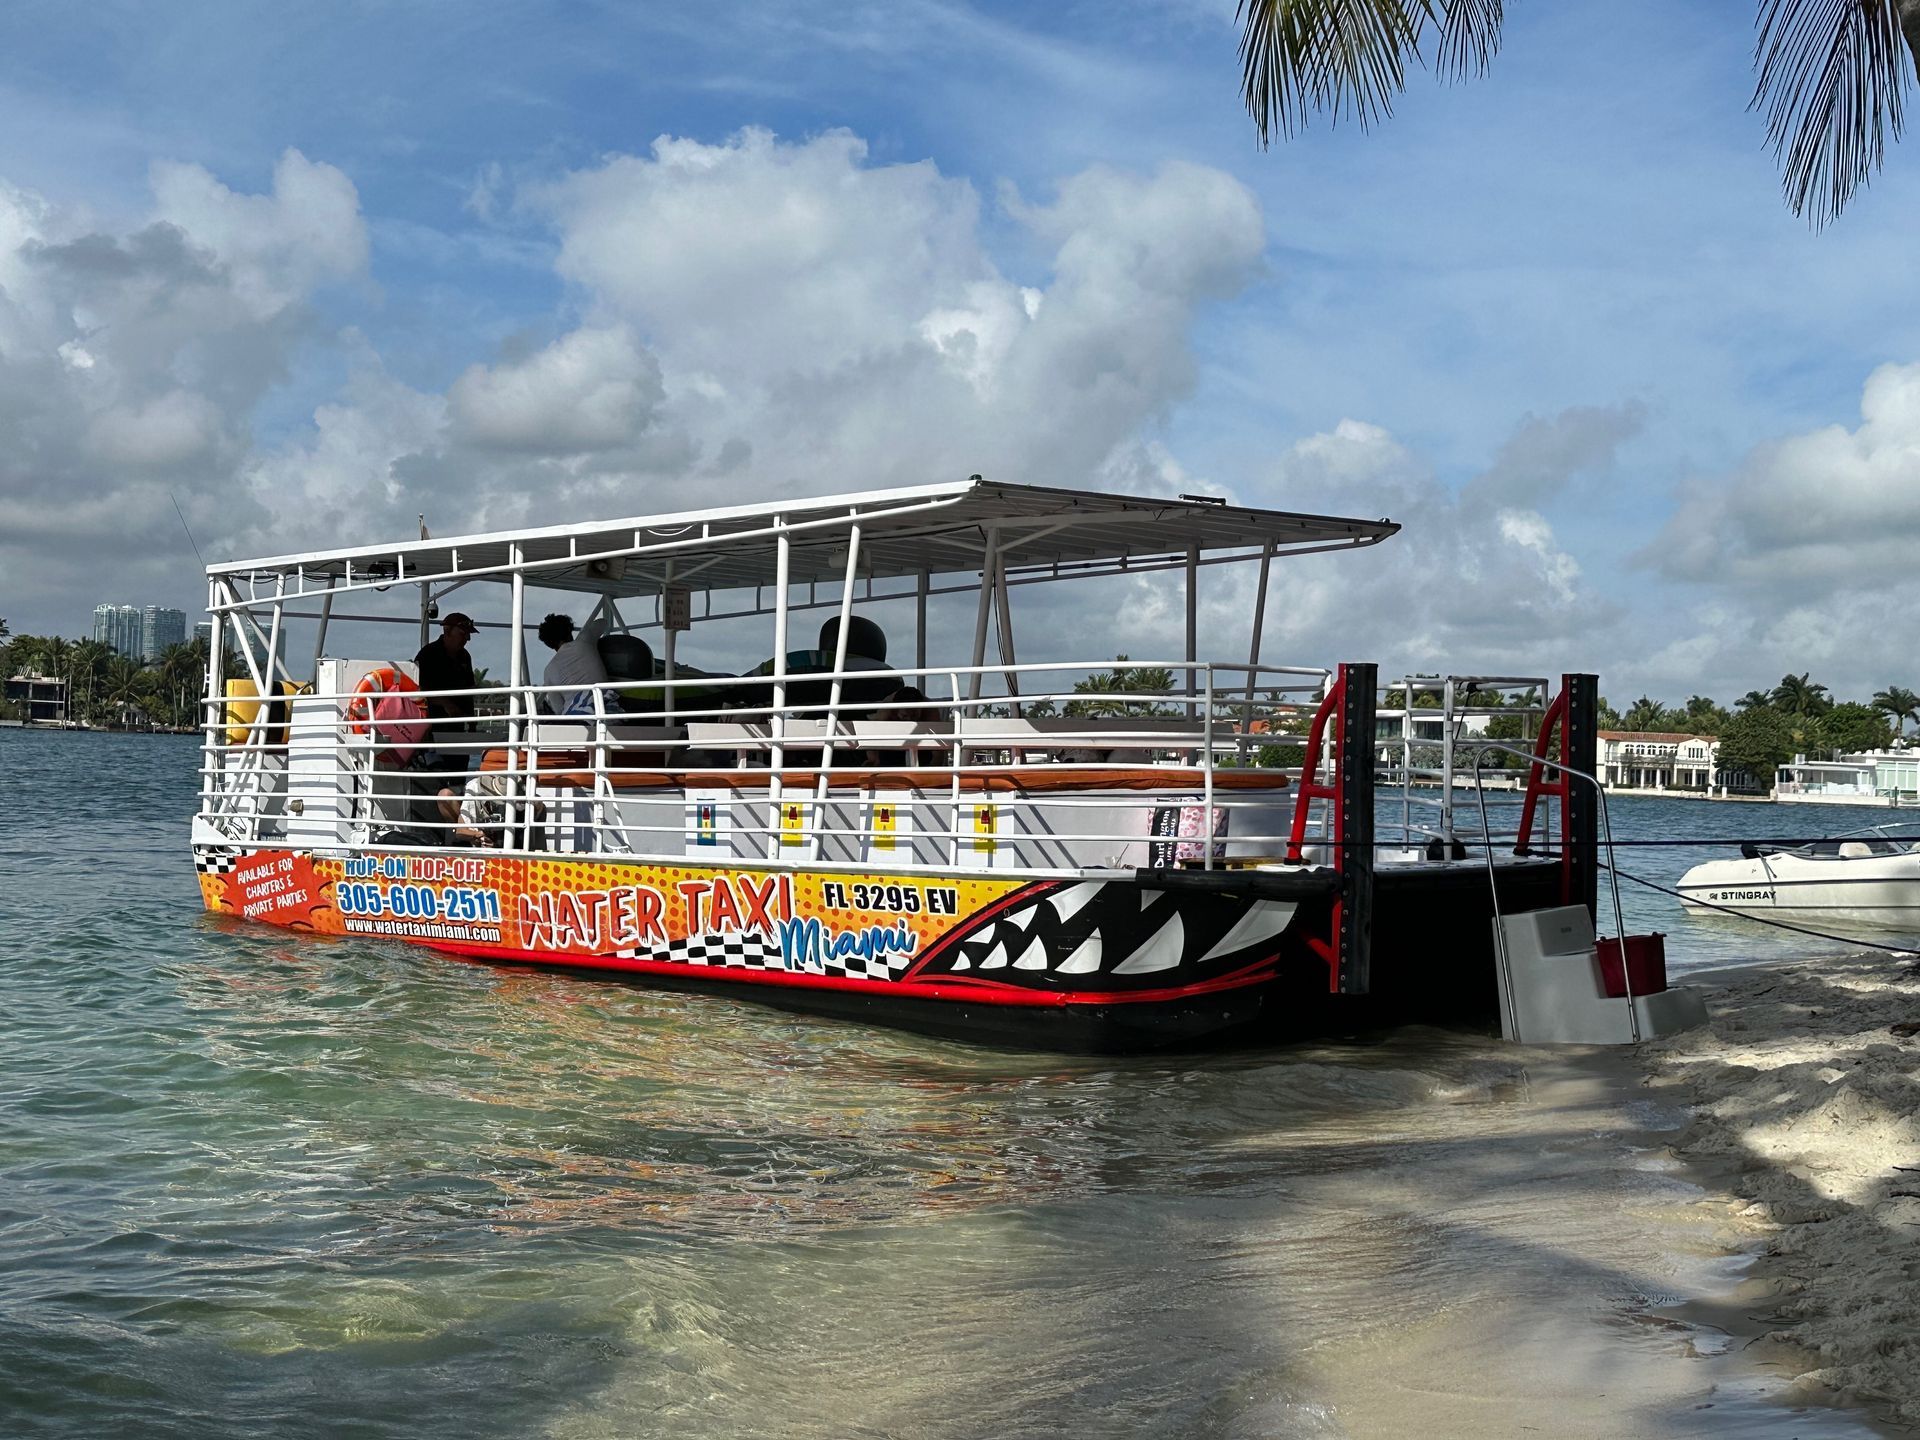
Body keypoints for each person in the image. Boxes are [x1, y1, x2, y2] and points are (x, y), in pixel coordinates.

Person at [537, 611, 609, 716]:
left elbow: (559, 710)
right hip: (605, 708)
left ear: (548, 643)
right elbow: (603, 622)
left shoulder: (548, 670)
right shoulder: (585, 642)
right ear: (569, 630)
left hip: (575, 716)